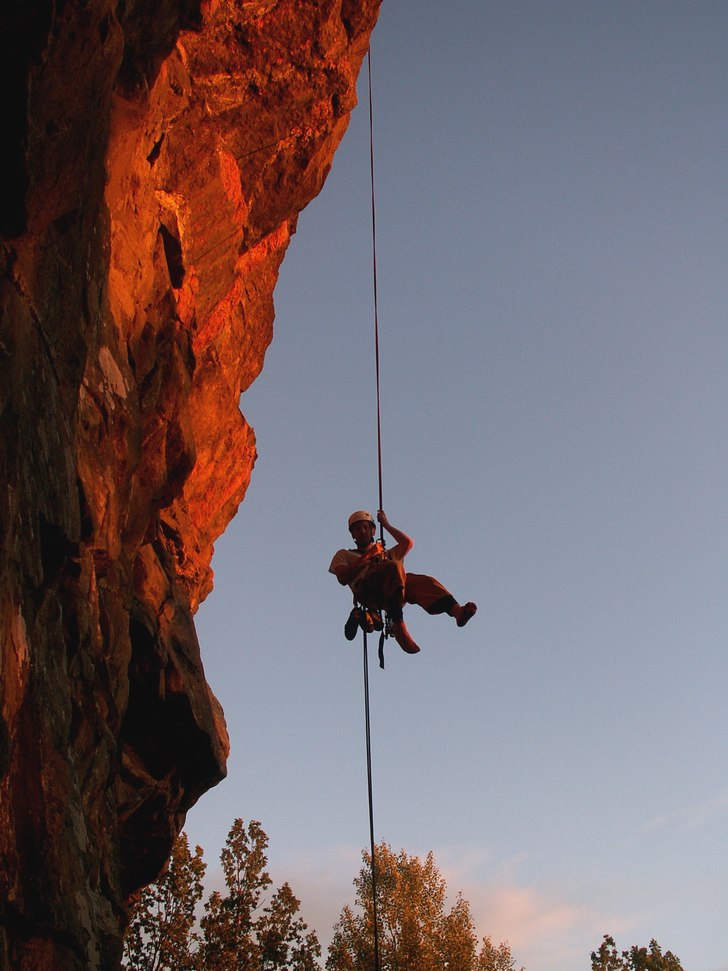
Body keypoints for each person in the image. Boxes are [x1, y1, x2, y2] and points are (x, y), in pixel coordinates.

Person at [329, 509, 477, 655]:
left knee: (421, 581)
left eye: (365, 527)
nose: (362, 531)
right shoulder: (344, 554)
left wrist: (386, 524)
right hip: (368, 591)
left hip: (392, 592)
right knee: (393, 566)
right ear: (353, 534)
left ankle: (456, 611)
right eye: (357, 528)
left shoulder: (385, 554)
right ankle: (398, 624)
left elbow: (408, 542)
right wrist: (369, 556)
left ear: (373, 531)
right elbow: (343, 577)